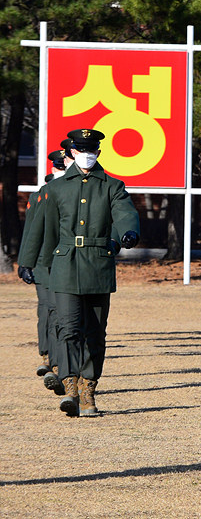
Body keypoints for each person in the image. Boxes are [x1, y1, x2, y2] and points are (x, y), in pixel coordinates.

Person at [18, 128, 140, 418]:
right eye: (82, 150)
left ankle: (89, 390)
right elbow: (41, 227)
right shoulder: (55, 189)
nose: (87, 155)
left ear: (98, 152)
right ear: (73, 152)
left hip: (98, 265)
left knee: (95, 333)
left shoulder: (112, 185)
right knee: (69, 328)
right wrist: (28, 260)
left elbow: (124, 211)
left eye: (92, 150)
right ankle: (70, 387)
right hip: (64, 266)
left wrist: (129, 231)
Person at [19, 149, 68, 393]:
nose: (60, 170)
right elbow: (32, 230)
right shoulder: (41, 195)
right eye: (58, 166)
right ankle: (50, 357)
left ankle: (62, 366)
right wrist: (25, 262)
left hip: (69, 261)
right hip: (44, 262)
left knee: (63, 314)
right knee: (49, 310)